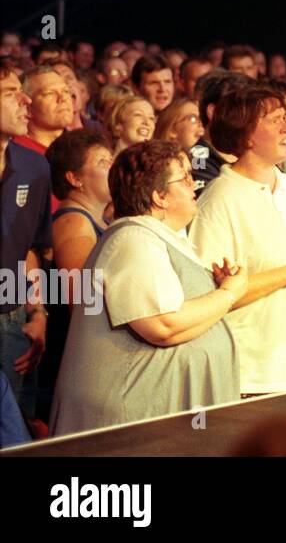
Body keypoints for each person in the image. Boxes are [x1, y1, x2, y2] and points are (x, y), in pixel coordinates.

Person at [50, 140, 245, 434]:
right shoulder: (132, 239)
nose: (195, 184)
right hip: (125, 429)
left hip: (156, 422)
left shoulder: (158, 237)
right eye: (185, 178)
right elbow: (162, 325)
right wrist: (228, 293)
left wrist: (216, 291)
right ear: (159, 196)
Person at [189, 86, 286, 396]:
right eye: (273, 120)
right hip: (256, 377)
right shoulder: (219, 199)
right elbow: (210, 299)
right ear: (245, 136)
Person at [38, 129, 112, 420]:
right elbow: (82, 305)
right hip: (78, 365)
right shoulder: (73, 223)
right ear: (75, 178)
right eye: (103, 162)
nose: (114, 167)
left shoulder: (95, 220)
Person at [0, 60, 51, 422]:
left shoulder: (34, 166)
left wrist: (37, 313)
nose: (25, 101)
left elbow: (32, 246)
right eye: (9, 93)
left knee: (18, 431)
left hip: (13, 320)